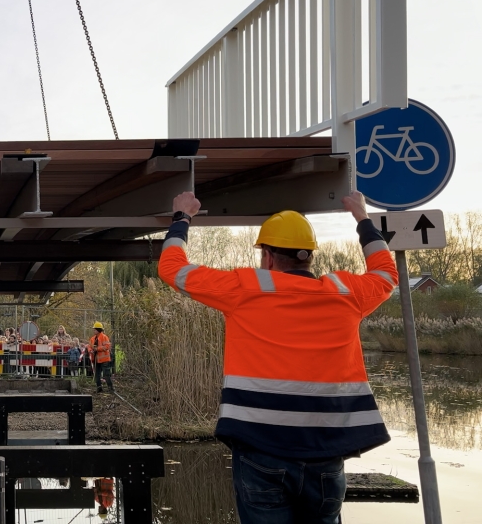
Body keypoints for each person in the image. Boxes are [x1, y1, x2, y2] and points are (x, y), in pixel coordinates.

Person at [158, 191, 396, 524]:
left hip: (261, 451)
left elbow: (172, 269)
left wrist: (182, 217)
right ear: (308, 257)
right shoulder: (345, 294)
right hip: (326, 457)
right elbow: (386, 274)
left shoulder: (245, 288)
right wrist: (363, 218)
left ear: (268, 257)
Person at [89, 322, 114, 393]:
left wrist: (97, 349)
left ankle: (111, 388)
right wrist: (91, 350)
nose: (93, 331)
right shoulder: (92, 338)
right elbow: (89, 346)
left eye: (94, 329)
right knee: (97, 374)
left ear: (98, 330)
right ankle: (99, 388)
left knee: (106, 374)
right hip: (96, 360)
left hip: (104, 359)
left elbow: (107, 347)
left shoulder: (104, 337)